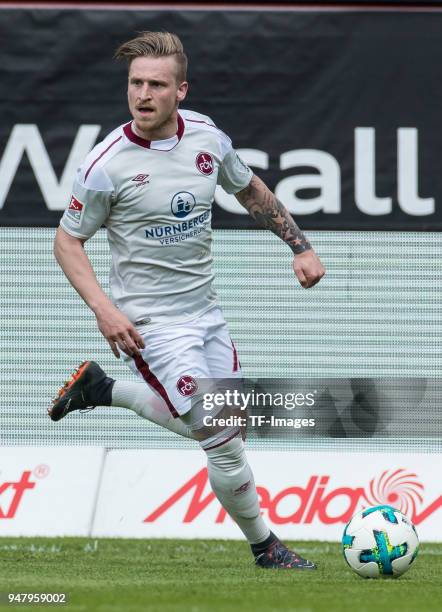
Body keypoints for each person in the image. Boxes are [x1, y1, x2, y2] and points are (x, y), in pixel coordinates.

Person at [49, 31, 325, 569]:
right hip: (150, 323)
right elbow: (66, 241)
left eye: (156, 84)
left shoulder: (206, 139)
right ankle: (267, 548)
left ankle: (105, 390)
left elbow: (249, 190)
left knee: (227, 424)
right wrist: (106, 310)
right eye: (135, 83)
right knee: (221, 436)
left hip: (207, 313)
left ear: (181, 91)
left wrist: (301, 246)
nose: (143, 95)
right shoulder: (105, 164)